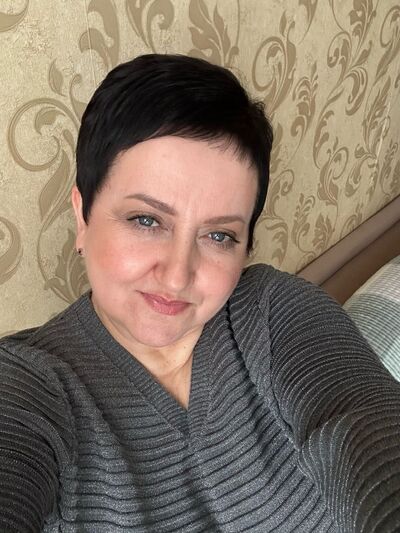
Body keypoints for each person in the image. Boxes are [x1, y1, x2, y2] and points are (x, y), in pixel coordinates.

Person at [0, 54, 399, 533]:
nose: (176, 277)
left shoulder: (272, 311)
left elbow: (360, 421)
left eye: (218, 236)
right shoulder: (30, 384)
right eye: (146, 220)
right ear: (82, 216)